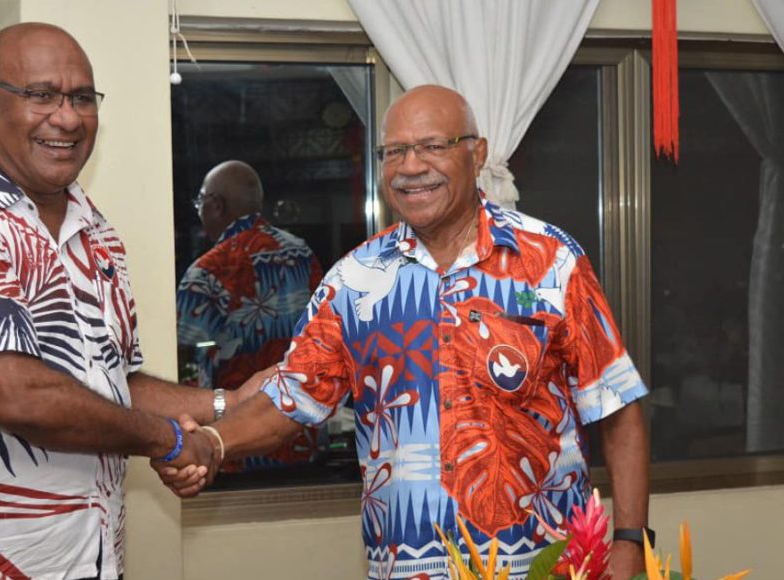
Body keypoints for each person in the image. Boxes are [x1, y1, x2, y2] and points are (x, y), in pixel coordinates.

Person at [158, 85, 651, 579]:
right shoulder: (354, 281)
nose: (411, 166)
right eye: (394, 151)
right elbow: (290, 397)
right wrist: (214, 445)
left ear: (475, 154)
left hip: (546, 568)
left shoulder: (552, 261)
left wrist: (630, 541)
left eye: (433, 146)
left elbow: (616, 407)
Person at [0, 23, 252, 579]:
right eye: (40, 95)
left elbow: (111, 383)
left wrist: (225, 405)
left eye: (81, 97)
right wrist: (171, 439)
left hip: (80, 555)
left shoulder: (96, 232)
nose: (66, 117)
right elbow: (20, 396)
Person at [177, 160, 323, 469]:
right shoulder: (302, 254)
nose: (199, 211)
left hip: (236, 440)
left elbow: (185, 358)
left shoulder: (206, 272)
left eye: (201, 202)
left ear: (216, 206)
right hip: (298, 426)